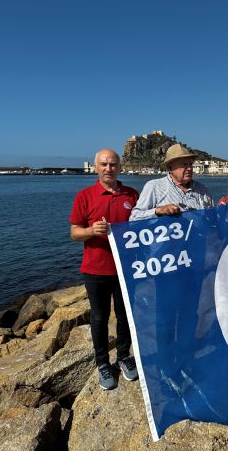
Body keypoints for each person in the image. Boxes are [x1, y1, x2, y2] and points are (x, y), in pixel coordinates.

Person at [70, 148, 140, 390]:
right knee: (99, 318)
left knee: (125, 317)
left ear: (120, 167)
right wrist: (91, 231)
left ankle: (123, 357)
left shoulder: (132, 194)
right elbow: (74, 232)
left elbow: (143, 227)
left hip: (125, 268)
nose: (108, 168)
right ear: (96, 167)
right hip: (95, 269)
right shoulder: (85, 196)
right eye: (103, 164)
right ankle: (102, 363)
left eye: (113, 164)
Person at [130, 143, 214, 220]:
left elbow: (212, 218)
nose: (189, 168)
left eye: (190, 164)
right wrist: (158, 211)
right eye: (184, 164)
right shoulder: (154, 187)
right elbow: (134, 218)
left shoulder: (202, 189)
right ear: (170, 168)